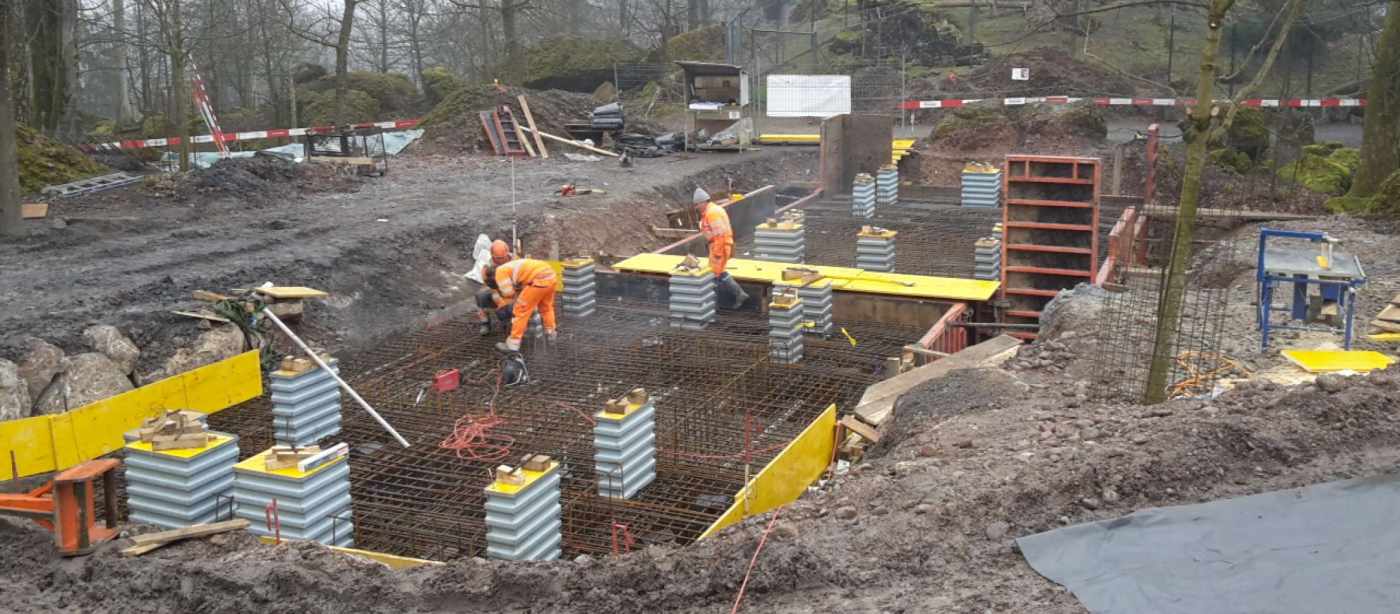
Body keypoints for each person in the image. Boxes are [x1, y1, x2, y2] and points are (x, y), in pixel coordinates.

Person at [695, 187, 749, 308]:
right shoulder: (712, 211)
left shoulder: (713, 213)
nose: (696, 207)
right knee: (717, 272)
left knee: (714, 274)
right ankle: (734, 295)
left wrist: (717, 252)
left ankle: (717, 301)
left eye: (697, 204)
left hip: (720, 245)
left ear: (703, 202)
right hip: (718, 245)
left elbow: (720, 234)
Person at [491, 257, 558, 353]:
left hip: (539, 280)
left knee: (520, 310)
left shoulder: (499, 272)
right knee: (546, 308)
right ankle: (551, 334)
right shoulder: (511, 267)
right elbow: (523, 280)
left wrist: (507, 300)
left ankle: (513, 344)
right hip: (551, 275)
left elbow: (509, 293)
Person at [474, 240, 515, 336]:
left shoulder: (515, 261)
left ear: (507, 254)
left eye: (502, 257)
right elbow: (491, 287)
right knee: (481, 296)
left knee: (512, 307)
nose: (500, 260)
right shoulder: (488, 267)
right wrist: (500, 303)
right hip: (497, 290)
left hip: (513, 290)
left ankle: (515, 322)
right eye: (498, 258)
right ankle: (485, 323)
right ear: (492, 256)